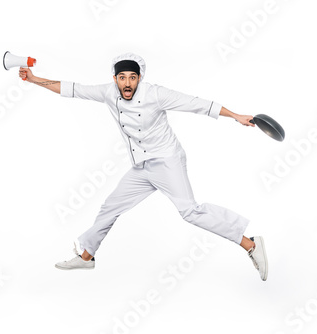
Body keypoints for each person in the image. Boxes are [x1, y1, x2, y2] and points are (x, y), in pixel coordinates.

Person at [19, 53, 268, 281]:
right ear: (115, 79)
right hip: (142, 166)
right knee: (110, 207)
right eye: (122, 78)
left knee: (189, 211)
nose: (127, 83)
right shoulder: (108, 93)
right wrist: (33, 79)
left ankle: (251, 244)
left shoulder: (155, 94)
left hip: (168, 161)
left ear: (140, 78)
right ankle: (87, 256)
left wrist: (235, 115)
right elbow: (71, 89)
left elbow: (197, 104)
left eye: (132, 78)